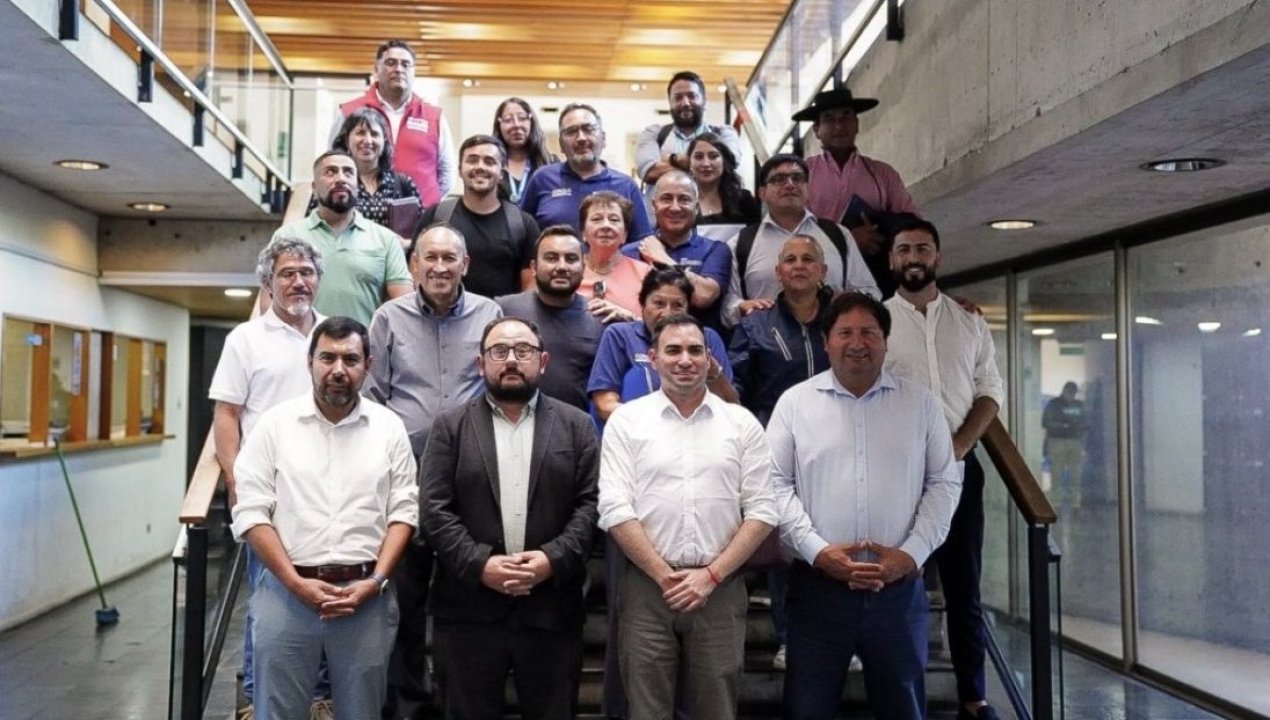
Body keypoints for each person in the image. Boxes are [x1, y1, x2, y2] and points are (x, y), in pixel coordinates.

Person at [768, 292, 961, 720]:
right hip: (818, 591)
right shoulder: (795, 404)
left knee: (904, 708)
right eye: (846, 332)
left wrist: (910, 555)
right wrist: (819, 551)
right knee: (806, 709)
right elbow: (774, 485)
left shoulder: (920, 403)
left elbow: (944, 483)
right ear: (826, 342)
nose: (858, 343)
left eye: (869, 332)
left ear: (885, 342)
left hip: (897, 593)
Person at [230, 317, 418, 720]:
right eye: (327, 358)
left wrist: (375, 582)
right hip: (285, 595)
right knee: (276, 713)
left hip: (365, 600)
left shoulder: (389, 428)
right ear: (309, 362)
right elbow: (251, 511)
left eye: (350, 359)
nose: (338, 369)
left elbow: (404, 512)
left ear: (368, 366)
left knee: (362, 714)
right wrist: (294, 582)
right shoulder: (274, 426)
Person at [598, 313, 778, 720]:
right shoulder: (627, 421)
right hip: (647, 587)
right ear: (653, 358)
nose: (685, 360)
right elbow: (614, 508)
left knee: (717, 708)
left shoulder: (740, 422)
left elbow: (763, 510)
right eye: (673, 350)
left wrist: (710, 576)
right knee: (646, 709)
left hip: (720, 586)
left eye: (695, 350)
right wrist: (665, 576)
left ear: (709, 359)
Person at [419, 317, 600, 720]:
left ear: (544, 361)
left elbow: (591, 506)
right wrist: (479, 564)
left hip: (552, 610)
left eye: (524, 351)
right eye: (499, 351)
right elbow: (433, 509)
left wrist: (551, 559)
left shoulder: (577, 426)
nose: (512, 360)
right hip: (467, 612)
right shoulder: (450, 427)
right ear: (481, 364)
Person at [364, 223, 501, 720]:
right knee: (404, 596)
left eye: (450, 258)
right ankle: (408, 705)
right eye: (431, 258)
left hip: (471, 477)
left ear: (465, 264)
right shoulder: (388, 318)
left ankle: (458, 702)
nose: (440, 267)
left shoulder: (489, 314)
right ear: (414, 265)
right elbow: (373, 397)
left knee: (466, 597)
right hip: (405, 476)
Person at [882, 216, 1005, 720]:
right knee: (902, 586)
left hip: (959, 470)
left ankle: (974, 698)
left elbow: (990, 392)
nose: (913, 257)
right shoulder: (877, 321)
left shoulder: (969, 321)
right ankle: (902, 696)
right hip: (898, 473)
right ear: (891, 259)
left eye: (922, 249)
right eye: (904, 249)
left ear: (937, 257)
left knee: (963, 590)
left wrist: (959, 444)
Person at [209, 237, 326, 719]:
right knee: (268, 600)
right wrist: (236, 481)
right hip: (270, 495)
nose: (298, 281)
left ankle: (318, 702)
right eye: (287, 273)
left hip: (326, 491)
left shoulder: (332, 334)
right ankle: (258, 704)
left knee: (324, 596)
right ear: (268, 283)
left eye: (306, 272)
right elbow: (227, 414)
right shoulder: (246, 338)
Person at [721, 153, 879, 328]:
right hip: (765, 340)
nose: (790, 184)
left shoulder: (838, 235)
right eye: (779, 179)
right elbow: (726, 304)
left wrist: (850, 302)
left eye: (797, 178)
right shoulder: (741, 243)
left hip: (831, 339)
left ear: (808, 189)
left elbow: (870, 291)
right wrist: (742, 307)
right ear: (762, 193)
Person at [794, 88, 919, 295]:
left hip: (877, 278)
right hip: (819, 283)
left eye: (846, 116)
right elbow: (789, 231)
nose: (839, 125)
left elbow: (913, 224)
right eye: (829, 119)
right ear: (816, 129)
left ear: (857, 124)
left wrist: (883, 231)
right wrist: (847, 239)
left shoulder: (883, 173)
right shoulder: (800, 175)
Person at [270, 150, 412, 325]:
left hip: (364, 342)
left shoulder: (385, 240)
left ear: (357, 186)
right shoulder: (287, 237)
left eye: (348, 172)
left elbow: (404, 309)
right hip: (301, 342)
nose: (341, 178)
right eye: (330, 172)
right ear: (314, 188)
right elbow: (269, 304)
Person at [588, 267, 738, 424]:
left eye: (677, 305)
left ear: (688, 309)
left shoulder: (706, 338)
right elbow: (605, 405)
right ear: (643, 304)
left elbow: (731, 407)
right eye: (659, 303)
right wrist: (659, 426)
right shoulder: (620, 335)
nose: (667, 313)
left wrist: (711, 369)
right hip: (637, 432)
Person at [496, 225, 607, 411]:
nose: (561, 266)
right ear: (533, 267)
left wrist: (630, 317)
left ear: (583, 268)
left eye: (571, 259)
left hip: (576, 426)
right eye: (551, 258)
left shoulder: (600, 316)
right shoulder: (503, 310)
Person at [416, 134, 540, 298]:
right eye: (472, 160)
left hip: (502, 314)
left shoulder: (523, 224)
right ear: (459, 170)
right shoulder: (436, 216)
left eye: (489, 161)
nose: (480, 167)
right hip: (442, 313)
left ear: (502, 173)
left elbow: (530, 286)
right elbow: (416, 272)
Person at [333, 40, 454, 206]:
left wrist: (427, 204)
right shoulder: (349, 112)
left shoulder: (434, 117)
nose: (398, 69)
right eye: (390, 63)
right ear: (376, 69)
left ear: (413, 71)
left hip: (421, 215)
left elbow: (447, 173)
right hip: (362, 213)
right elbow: (333, 161)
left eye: (406, 64)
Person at [518, 102, 653, 239]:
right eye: (571, 132)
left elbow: (643, 241)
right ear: (561, 144)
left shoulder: (626, 186)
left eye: (588, 129)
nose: (581, 138)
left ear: (603, 139)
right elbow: (521, 235)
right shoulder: (542, 179)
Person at [621, 170, 732, 331]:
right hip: (640, 342)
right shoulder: (629, 253)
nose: (675, 207)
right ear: (653, 205)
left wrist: (662, 258)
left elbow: (703, 296)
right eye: (666, 199)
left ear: (696, 207)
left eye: (684, 199)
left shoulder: (716, 250)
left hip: (698, 343)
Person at [317, 107, 420, 237]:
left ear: (384, 142)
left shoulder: (403, 184)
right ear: (347, 140)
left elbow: (423, 230)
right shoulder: (333, 183)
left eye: (374, 134)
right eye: (360, 133)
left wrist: (407, 243)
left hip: (392, 250)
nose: (368, 140)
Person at [635, 71, 744, 193]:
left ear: (704, 100)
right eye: (678, 98)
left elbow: (729, 163)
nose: (685, 103)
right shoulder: (653, 134)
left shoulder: (724, 134)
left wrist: (673, 159)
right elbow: (649, 172)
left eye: (692, 96)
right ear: (670, 103)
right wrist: (705, 165)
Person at [577, 191, 651, 319]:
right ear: (583, 232)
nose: (606, 226)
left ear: (625, 235)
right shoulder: (570, 270)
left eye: (614, 220)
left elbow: (658, 325)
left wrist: (630, 317)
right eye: (597, 219)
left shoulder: (645, 274)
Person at [491, 97, 557, 204]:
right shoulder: (491, 164)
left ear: (532, 122)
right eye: (508, 120)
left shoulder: (551, 163)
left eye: (522, 118)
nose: (516, 125)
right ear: (499, 125)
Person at [687, 133, 760, 227]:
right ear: (689, 163)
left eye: (713, 156)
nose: (706, 163)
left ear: (724, 161)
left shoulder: (744, 200)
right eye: (699, 157)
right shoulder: (681, 201)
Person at [1043, 381, 1087, 509]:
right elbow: (1046, 422)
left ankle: (1075, 503)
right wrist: (1063, 426)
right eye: (1069, 392)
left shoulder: (1079, 405)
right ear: (1064, 391)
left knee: (1076, 475)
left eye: (1073, 393)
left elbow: (1085, 423)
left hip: (1075, 442)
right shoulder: (1053, 404)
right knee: (1056, 474)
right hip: (1057, 442)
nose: (1071, 396)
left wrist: (1075, 427)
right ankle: (1056, 502)